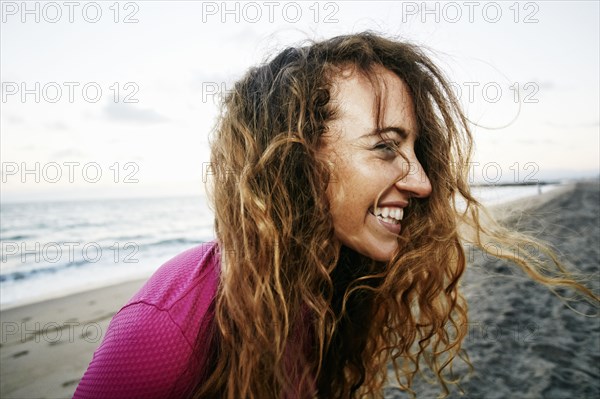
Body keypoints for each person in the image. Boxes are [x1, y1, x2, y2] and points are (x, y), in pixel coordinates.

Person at [73, 31, 596, 399]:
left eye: (415, 150)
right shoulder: (169, 327)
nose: (423, 181)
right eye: (386, 147)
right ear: (298, 160)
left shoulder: (332, 287)